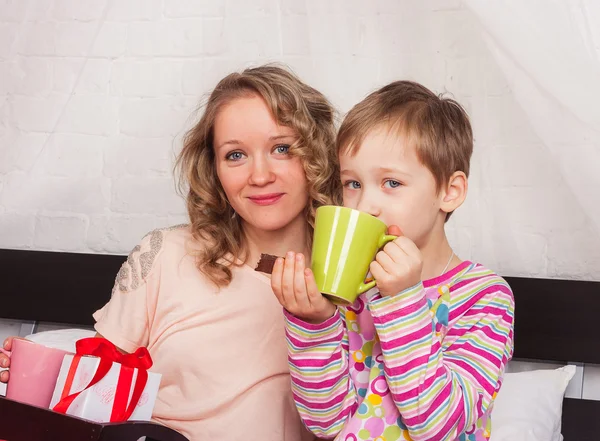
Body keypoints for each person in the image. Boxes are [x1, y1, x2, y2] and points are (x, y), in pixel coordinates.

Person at [1, 65, 341, 441]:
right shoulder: (167, 254)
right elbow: (97, 383)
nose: (259, 176)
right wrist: (39, 372)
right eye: (235, 155)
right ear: (213, 168)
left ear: (318, 153)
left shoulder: (351, 278)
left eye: (282, 148)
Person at [271, 81, 515, 441]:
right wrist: (316, 324)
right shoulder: (352, 288)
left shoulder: (484, 297)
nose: (366, 204)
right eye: (352, 184)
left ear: (449, 191)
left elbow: (438, 426)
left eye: (391, 183)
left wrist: (402, 300)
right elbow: (326, 422)